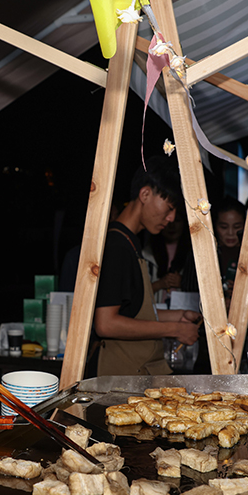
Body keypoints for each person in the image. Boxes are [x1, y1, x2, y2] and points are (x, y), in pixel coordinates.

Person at [89, 157, 202, 376]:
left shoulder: (131, 242)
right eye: (169, 208)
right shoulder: (116, 245)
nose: (171, 218)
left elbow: (130, 311)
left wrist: (178, 316)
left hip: (134, 371)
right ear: (145, 194)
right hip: (115, 373)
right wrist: (175, 330)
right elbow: (106, 323)